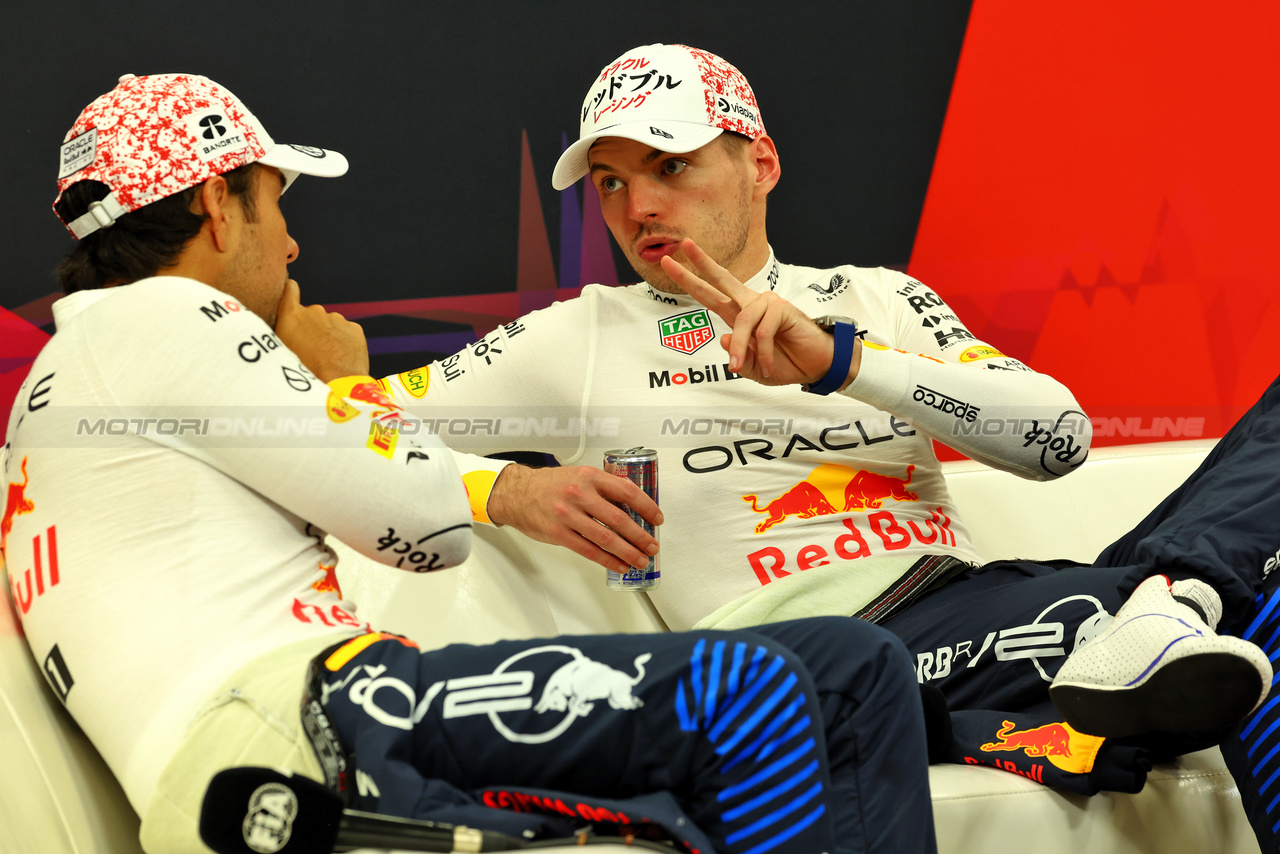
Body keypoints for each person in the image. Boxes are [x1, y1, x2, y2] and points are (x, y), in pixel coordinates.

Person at [360, 43, 1280, 848]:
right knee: (1196, 616)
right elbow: (326, 429)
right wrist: (501, 492)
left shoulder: (876, 300)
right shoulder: (580, 336)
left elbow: (1057, 437)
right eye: (610, 182)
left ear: (758, 162)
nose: (637, 206)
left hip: (974, 603)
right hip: (820, 664)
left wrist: (841, 361)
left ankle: (1167, 602)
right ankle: (1168, 605)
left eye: (669, 166)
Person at [1, 71, 939, 854]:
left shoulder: (98, 359)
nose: (291, 245)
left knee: (847, 668)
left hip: (320, 720)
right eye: (277, 205)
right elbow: (417, 529)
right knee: (763, 687)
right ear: (217, 203)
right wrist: (347, 386)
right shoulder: (160, 316)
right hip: (298, 730)